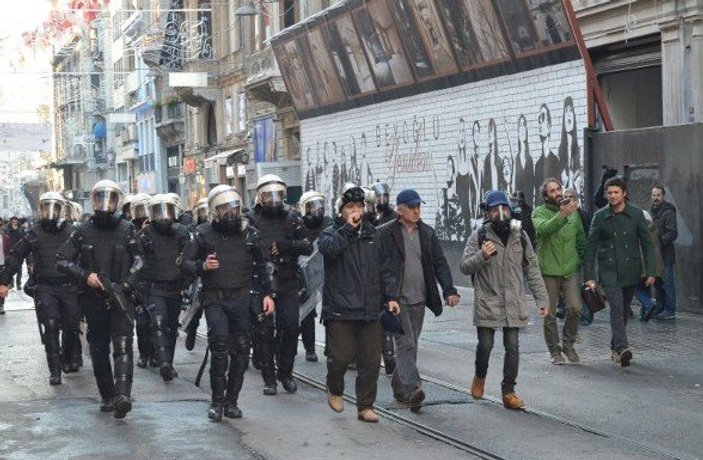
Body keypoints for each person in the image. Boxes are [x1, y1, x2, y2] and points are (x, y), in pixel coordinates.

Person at [180, 185, 274, 421]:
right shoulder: (203, 234)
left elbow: (264, 267)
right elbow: (183, 263)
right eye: (223, 208)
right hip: (215, 299)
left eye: (233, 207)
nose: (230, 212)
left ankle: (232, 401)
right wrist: (202, 266)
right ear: (214, 211)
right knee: (220, 348)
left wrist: (267, 294)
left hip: (242, 299)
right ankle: (217, 402)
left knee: (242, 350)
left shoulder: (251, 234)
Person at [57, 180, 144, 418]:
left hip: (122, 296)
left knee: (124, 345)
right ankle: (107, 395)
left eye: (110, 198)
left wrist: (126, 284)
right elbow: (62, 260)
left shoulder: (127, 229)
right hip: (93, 299)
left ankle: (123, 396)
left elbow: (139, 261)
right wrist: (86, 276)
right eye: (100, 197)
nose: (105, 203)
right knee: (98, 348)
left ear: (118, 201)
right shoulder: (82, 230)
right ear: (93, 200)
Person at [460, 190, 548, 409]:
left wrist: (542, 299)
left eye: (505, 209)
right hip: (488, 300)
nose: (501, 214)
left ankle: (508, 391)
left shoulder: (521, 236)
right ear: (487, 213)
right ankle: (480, 377)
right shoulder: (479, 236)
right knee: (486, 345)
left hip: (513, 300)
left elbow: (532, 269)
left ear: (511, 210)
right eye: (495, 210)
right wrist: (482, 255)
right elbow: (464, 266)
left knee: (513, 347)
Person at [319, 185, 400, 423]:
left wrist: (391, 297)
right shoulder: (332, 232)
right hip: (340, 309)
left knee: (371, 361)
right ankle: (334, 388)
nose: (356, 211)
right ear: (341, 211)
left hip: (369, 308)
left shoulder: (374, 234)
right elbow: (329, 250)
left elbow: (385, 269)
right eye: (350, 207)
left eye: (359, 207)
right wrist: (347, 230)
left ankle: (365, 405)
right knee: (341, 358)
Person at [378, 189, 459, 412]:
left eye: (418, 207)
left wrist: (449, 290)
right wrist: (386, 295)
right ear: (399, 209)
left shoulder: (427, 233)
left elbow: (440, 264)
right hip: (397, 300)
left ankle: (399, 385)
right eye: (411, 207)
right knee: (406, 344)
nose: (416, 211)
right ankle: (414, 387)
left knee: (412, 346)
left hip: (420, 298)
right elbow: (381, 266)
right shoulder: (385, 233)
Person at [0, 192, 83, 384]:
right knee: (51, 325)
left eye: (54, 207)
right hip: (45, 286)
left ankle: (68, 356)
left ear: (62, 209)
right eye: (46, 207)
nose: (50, 212)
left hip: (69, 286)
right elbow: (15, 256)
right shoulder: (34, 233)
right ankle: (55, 371)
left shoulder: (73, 232)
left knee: (71, 328)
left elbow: (88, 256)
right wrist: (3, 280)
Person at [247, 174, 312, 395]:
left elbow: (307, 246)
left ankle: (286, 372)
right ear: (260, 196)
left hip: (287, 280)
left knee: (291, 327)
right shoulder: (252, 220)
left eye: (277, 195)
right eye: (268, 195)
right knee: (264, 331)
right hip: (262, 284)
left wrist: (288, 245)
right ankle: (269, 378)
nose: (273, 200)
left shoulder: (293, 218)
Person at [583, 177, 656, 367]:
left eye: (616, 192)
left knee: (623, 310)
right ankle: (623, 347)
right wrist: (589, 276)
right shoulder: (600, 216)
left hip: (631, 270)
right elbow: (590, 247)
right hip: (608, 271)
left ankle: (615, 347)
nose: (613, 196)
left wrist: (651, 271)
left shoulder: (635, 214)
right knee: (616, 307)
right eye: (609, 193)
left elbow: (647, 243)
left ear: (623, 193)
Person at [136, 194, 191, 382]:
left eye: (166, 211)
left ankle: (169, 361)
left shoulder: (182, 232)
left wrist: (186, 284)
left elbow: (189, 260)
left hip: (175, 287)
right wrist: (141, 288)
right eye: (158, 212)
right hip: (154, 288)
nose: (162, 216)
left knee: (171, 326)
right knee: (158, 322)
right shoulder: (144, 234)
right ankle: (164, 363)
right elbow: (138, 263)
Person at [532, 179, 585, 364]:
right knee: (550, 313)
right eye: (552, 191)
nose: (557, 193)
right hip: (549, 270)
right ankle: (555, 351)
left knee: (576, 308)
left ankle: (568, 344)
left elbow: (580, 240)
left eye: (558, 189)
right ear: (546, 196)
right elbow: (544, 229)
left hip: (570, 269)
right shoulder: (539, 213)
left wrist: (585, 266)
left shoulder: (573, 213)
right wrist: (562, 215)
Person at [297, 190, 331, 363]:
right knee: (307, 312)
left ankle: (330, 346)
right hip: (306, 273)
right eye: (312, 207)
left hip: (328, 272)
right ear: (304, 208)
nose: (316, 211)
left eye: (319, 206)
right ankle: (310, 348)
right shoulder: (298, 225)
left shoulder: (329, 223)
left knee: (331, 311)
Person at [129, 193, 156, 369]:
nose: (142, 214)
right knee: (142, 322)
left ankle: (156, 355)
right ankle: (144, 354)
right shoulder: (129, 229)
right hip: (138, 283)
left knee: (156, 321)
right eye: (139, 210)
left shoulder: (157, 227)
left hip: (154, 281)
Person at [183, 197, 210, 352]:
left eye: (206, 210)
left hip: (216, 270)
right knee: (195, 305)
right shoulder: (192, 230)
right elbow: (187, 256)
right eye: (201, 211)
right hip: (198, 272)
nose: (205, 214)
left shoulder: (217, 227)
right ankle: (192, 329)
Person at [650, 185, 678, 320]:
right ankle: (660, 308)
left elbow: (673, 233)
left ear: (663, 196)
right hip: (655, 256)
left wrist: (658, 243)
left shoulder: (668, 212)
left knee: (667, 283)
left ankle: (670, 310)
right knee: (658, 283)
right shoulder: (652, 211)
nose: (656, 198)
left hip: (666, 254)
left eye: (658, 195)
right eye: (654, 195)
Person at [634, 211, 663, 321]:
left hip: (643, 262)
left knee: (636, 288)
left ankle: (648, 304)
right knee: (645, 286)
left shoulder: (640, 230)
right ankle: (644, 313)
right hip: (656, 262)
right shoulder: (655, 229)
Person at [6, 216, 25, 289]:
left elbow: (22, 238)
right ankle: (11, 283)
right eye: (13, 222)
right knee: (9, 267)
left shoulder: (20, 229)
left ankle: (18, 283)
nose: (14, 223)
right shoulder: (7, 229)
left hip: (19, 251)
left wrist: (16, 230)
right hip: (10, 251)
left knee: (19, 268)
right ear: (10, 222)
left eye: (15, 222)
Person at [0, 229, 9, 314]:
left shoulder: (6, 238)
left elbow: (10, 251)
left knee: (2, 285)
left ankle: (1, 305)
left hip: (2, 264)